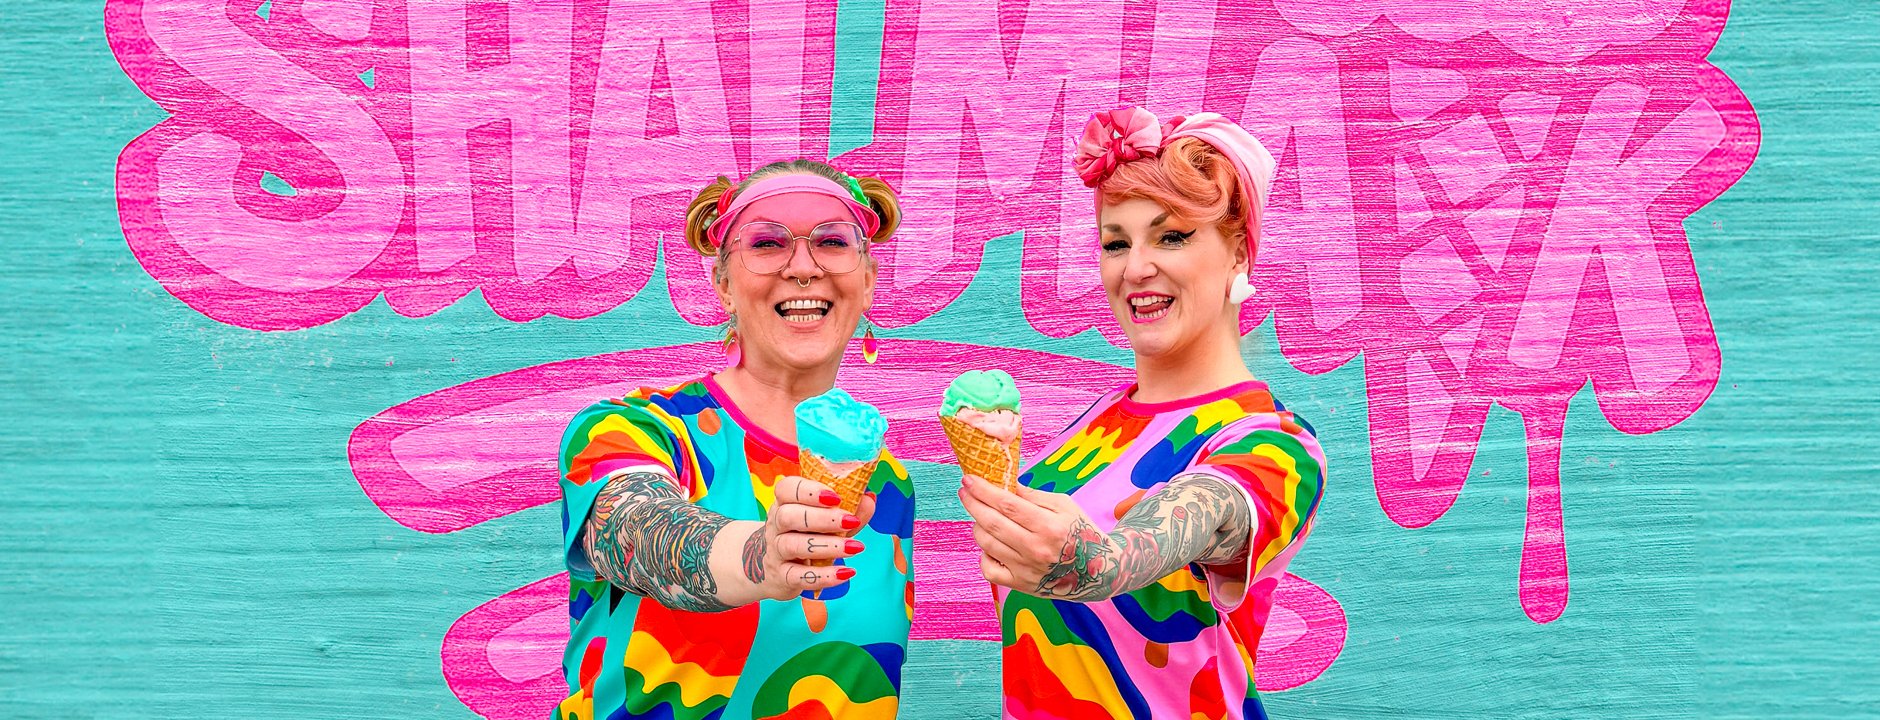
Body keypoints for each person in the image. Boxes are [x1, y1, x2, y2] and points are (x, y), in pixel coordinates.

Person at [959, 107, 1327, 720]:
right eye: (1115, 242)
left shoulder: (1273, 443)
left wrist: (1096, 562)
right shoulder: (1095, 422)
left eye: (1171, 236)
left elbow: (1196, 512)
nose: (1135, 268)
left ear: (1238, 253)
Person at [555, 159, 914, 720]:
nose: (803, 268)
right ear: (723, 284)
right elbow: (634, 532)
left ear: (866, 282)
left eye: (833, 242)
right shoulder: (636, 429)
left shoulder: (887, 483)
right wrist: (760, 556)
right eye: (768, 243)